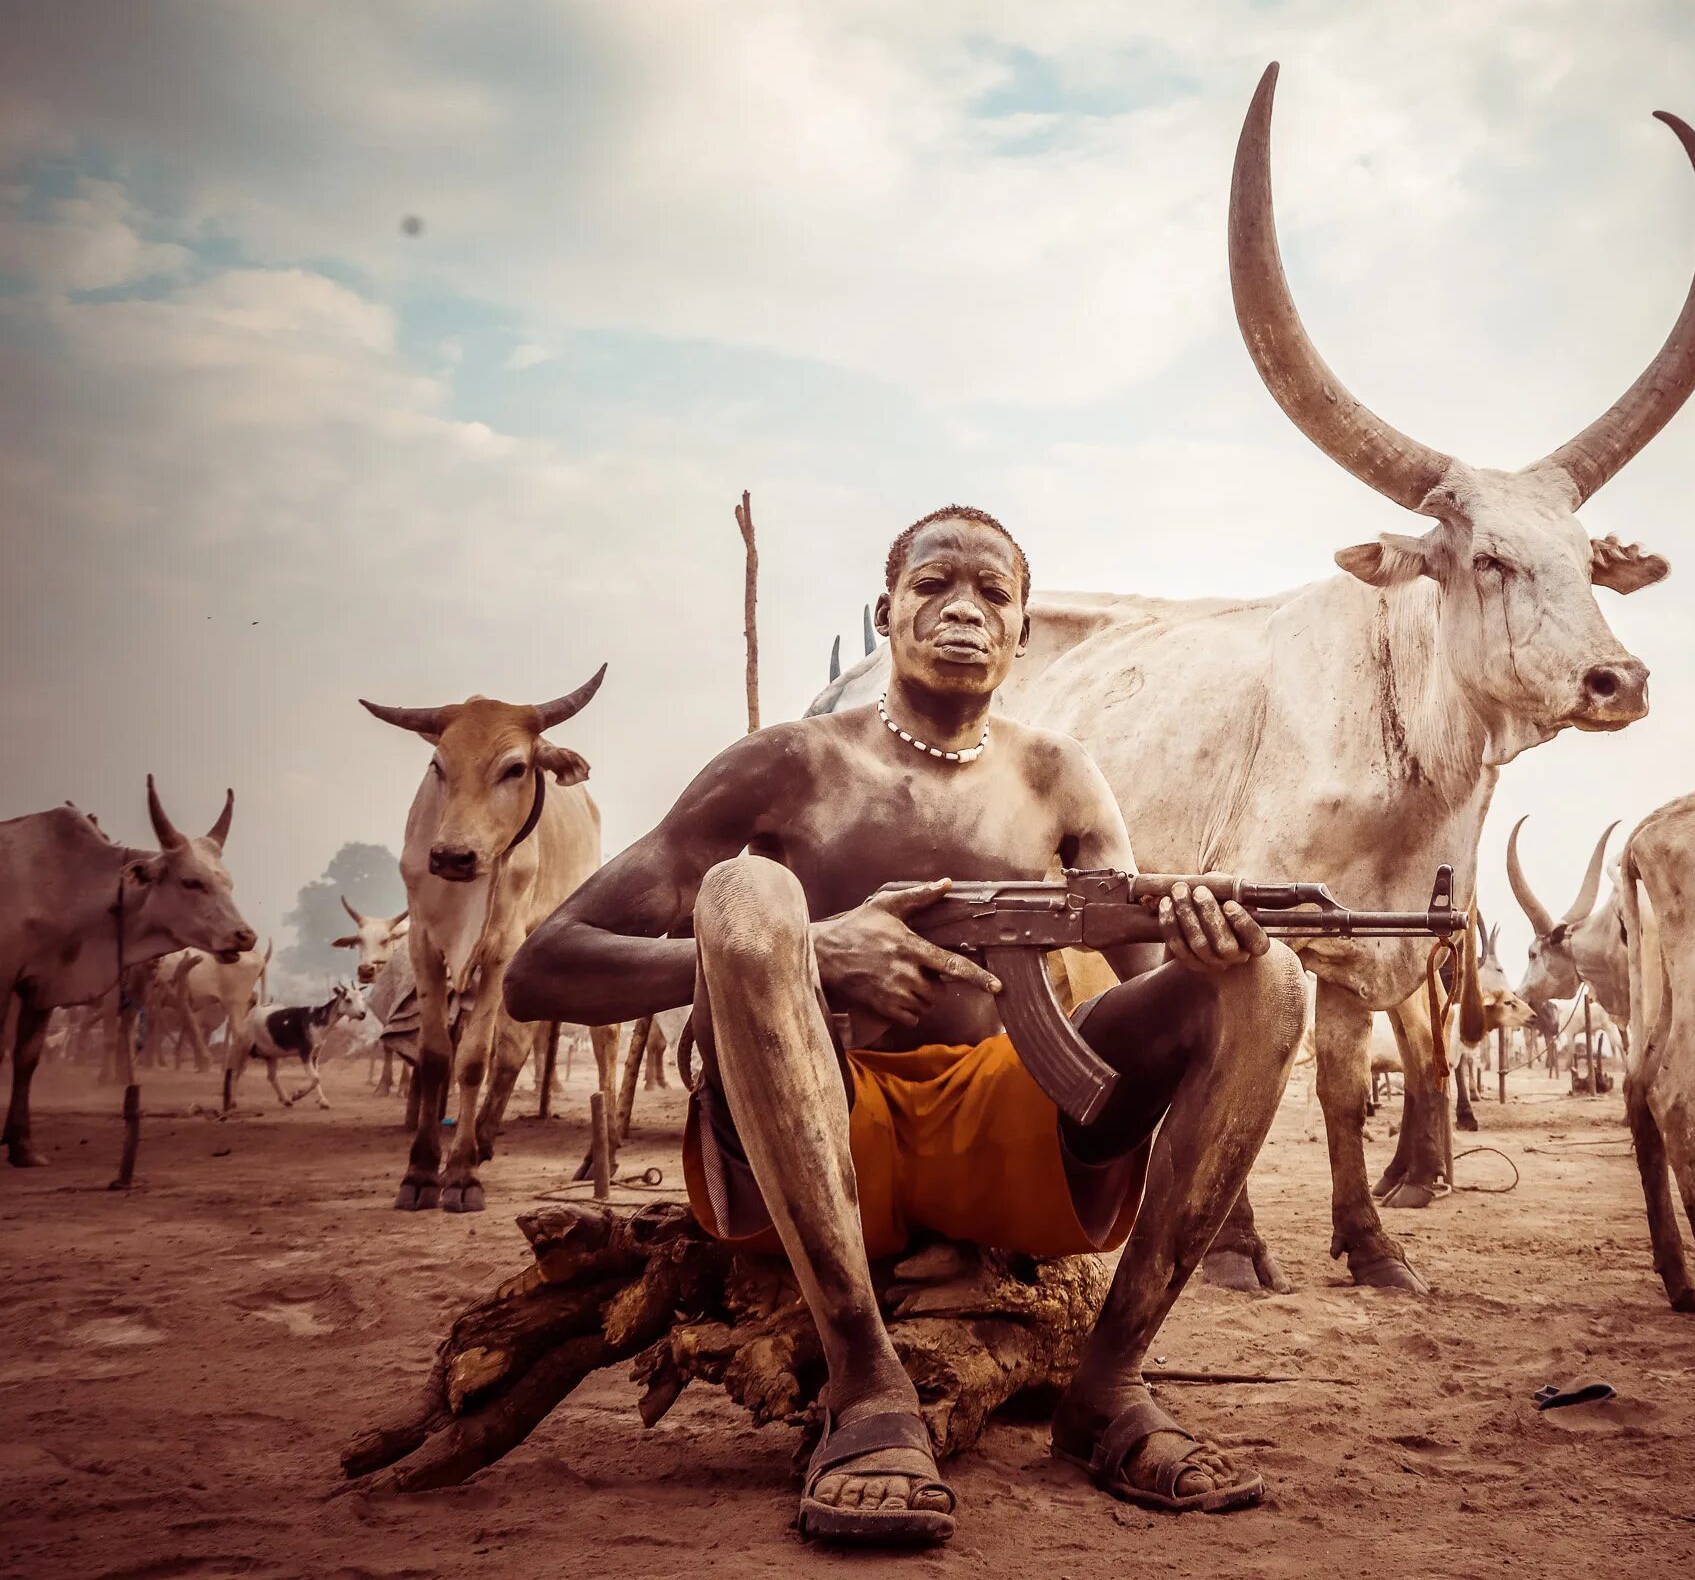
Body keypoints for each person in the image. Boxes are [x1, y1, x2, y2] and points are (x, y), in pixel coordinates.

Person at [507, 504, 1308, 1547]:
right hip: (815, 1131)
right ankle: (863, 1382)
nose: (965, 608)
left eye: (994, 594)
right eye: (936, 586)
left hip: (1006, 1143)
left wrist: (1210, 951)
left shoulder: (1059, 776)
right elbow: (539, 969)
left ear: (1023, 631)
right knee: (748, 899)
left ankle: (1109, 1386)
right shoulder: (782, 766)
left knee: (1270, 979)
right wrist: (809, 951)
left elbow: (1151, 994)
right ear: (886, 611)